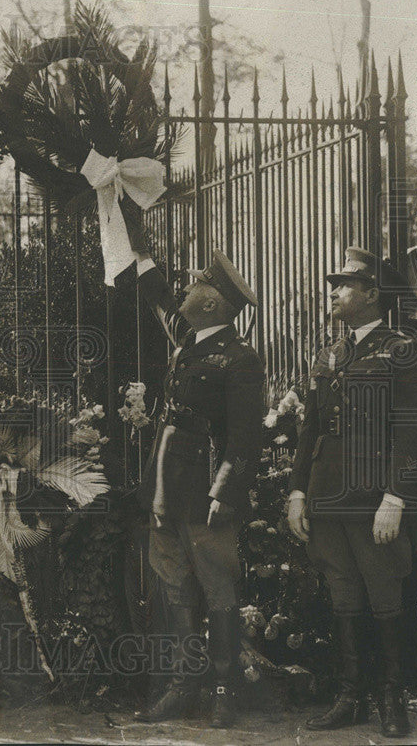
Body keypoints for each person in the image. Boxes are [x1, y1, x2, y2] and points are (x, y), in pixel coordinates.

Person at [121, 235, 264, 729]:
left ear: (210, 302)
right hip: (168, 488)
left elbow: (245, 437)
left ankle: (224, 689)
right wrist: (139, 254)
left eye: (197, 282)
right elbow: (161, 299)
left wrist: (223, 493)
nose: (187, 286)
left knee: (218, 590)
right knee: (175, 589)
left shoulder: (240, 357)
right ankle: (184, 686)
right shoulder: (189, 341)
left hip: (206, 495)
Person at [287, 247, 417, 738]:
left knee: (384, 591)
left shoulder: (403, 349)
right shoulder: (327, 353)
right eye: (335, 283)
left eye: (345, 284)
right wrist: (297, 492)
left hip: (374, 497)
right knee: (343, 593)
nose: (334, 291)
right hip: (327, 492)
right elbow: (309, 431)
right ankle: (352, 696)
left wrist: (395, 498)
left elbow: (412, 433)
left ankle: (393, 697)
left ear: (372, 294)